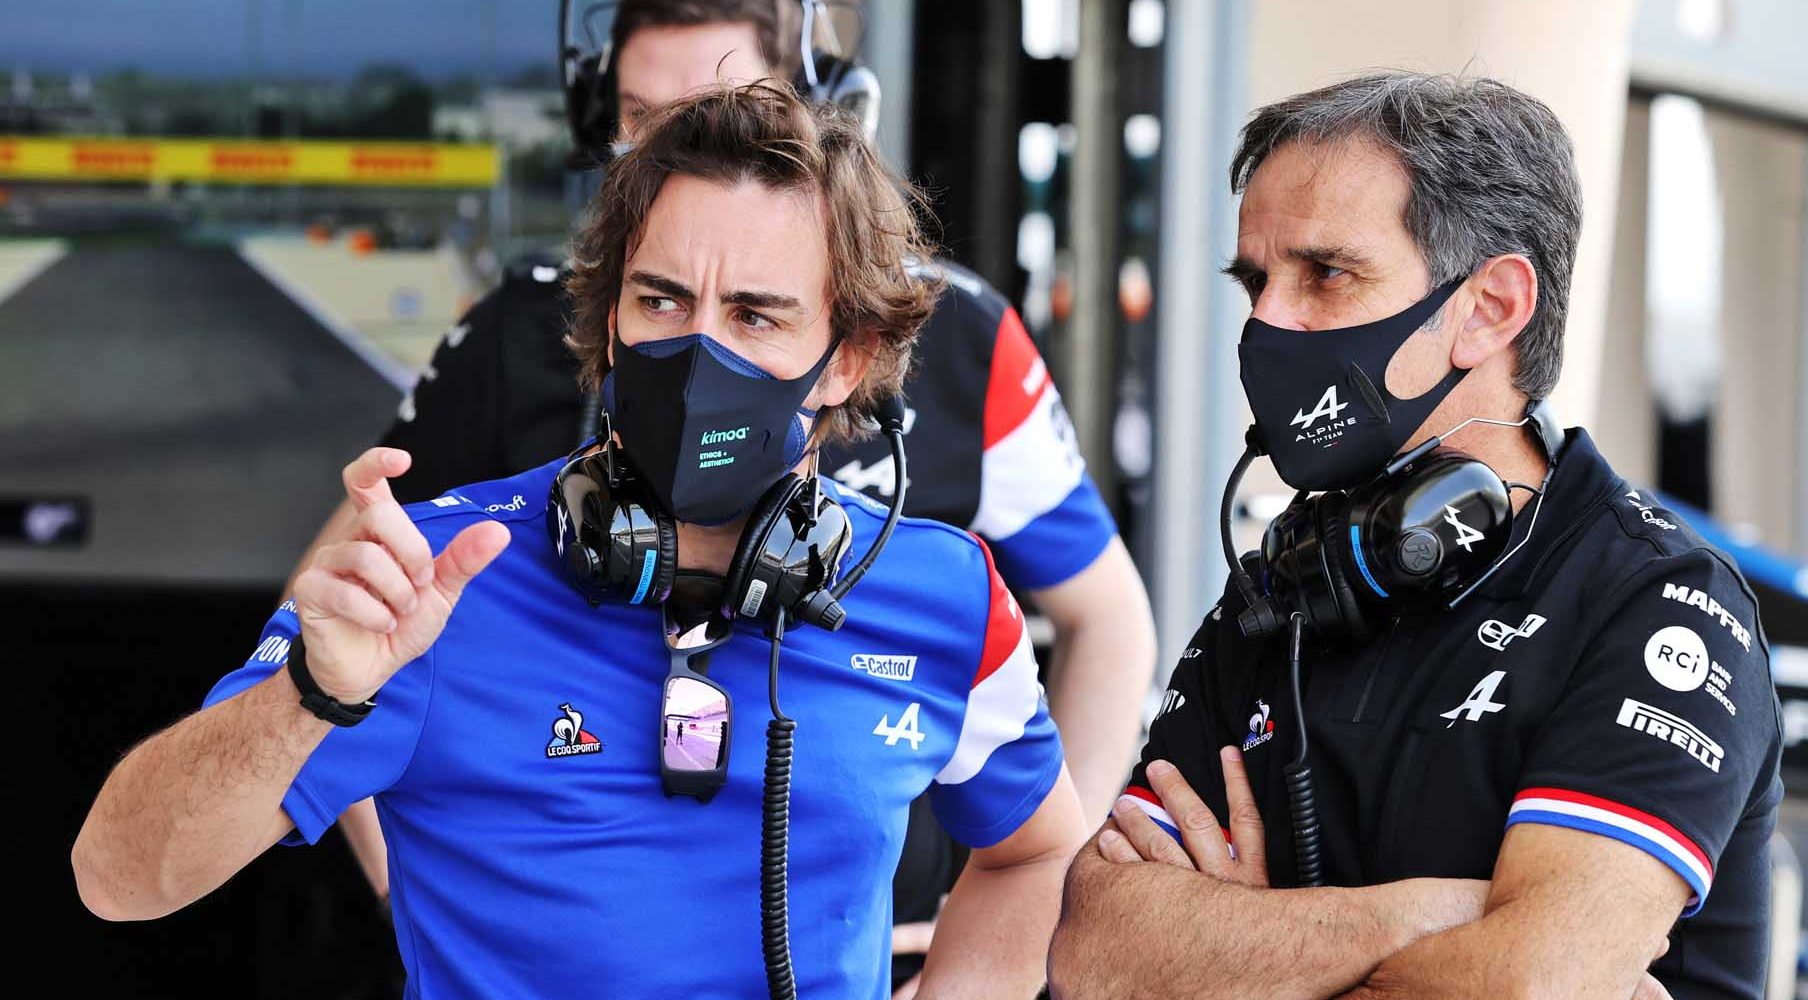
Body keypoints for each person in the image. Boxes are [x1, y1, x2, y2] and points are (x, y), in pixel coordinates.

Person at [73, 83, 1084, 1000]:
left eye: (755, 316)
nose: (701, 351)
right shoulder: (435, 578)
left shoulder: (944, 596)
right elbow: (116, 878)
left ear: (845, 358)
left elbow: (1037, 854)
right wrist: (311, 696)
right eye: (662, 300)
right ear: (606, 325)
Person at [293, 2, 1155, 988]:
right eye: (634, 117)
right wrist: (418, 884)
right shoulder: (526, 326)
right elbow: (340, 609)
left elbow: (1108, 618)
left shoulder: (962, 336)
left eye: (705, 106)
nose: (661, 151)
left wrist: (1032, 932)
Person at [1048, 72, 1783, 1000]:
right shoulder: (1283, 593)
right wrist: (1428, 917)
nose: (1268, 321)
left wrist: (1245, 949)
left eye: (1325, 274)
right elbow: (1092, 949)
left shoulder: (1653, 603)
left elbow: (1528, 985)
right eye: (1256, 282)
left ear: (1490, 309)